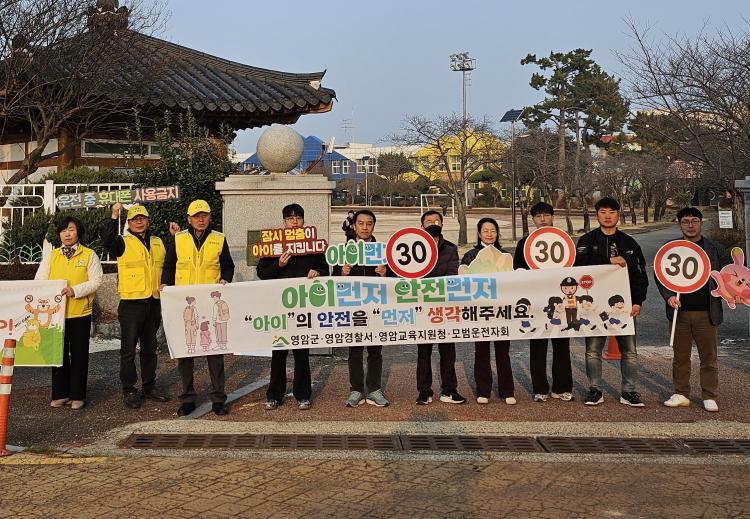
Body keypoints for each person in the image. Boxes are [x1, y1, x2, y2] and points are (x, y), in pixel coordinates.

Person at [160, 199, 235, 416]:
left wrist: (225, 279)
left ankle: (218, 399)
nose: (201, 219)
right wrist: (165, 284)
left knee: (215, 353)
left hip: (210, 303)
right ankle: (187, 398)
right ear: (189, 219)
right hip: (185, 303)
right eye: (196, 216)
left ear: (210, 217)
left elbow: (228, 266)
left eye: (204, 215)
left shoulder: (219, 239)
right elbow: (169, 266)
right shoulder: (179, 238)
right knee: (186, 352)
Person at [574, 197, 648, 407]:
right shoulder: (586, 241)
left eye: (612, 212)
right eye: (603, 212)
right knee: (593, 351)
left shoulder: (629, 243)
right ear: (597, 214)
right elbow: (578, 266)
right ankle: (595, 390)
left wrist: (638, 302)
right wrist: (608, 261)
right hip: (594, 306)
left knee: (629, 352)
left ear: (618, 214)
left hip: (624, 306)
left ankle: (629, 391)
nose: (607, 216)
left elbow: (640, 275)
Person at [655, 207, 730, 412]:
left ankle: (709, 395)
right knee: (680, 356)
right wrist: (668, 296)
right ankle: (681, 393)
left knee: (709, 357)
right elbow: (660, 275)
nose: (690, 225)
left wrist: (734, 292)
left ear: (701, 223)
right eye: (686, 221)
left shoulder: (714, 248)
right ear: (679, 224)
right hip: (679, 311)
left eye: (694, 221)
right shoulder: (671, 248)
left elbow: (728, 274)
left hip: (708, 311)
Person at [257, 203, 329, 411]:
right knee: (278, 352)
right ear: (284, 222)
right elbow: (262, 273)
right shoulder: (273, 245)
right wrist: (278, 264)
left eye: (298, 218)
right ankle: (274, 395)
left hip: (303, 307)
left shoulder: (313, 245)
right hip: (279, 307)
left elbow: (325, 269)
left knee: (302, 352)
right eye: (290, 219)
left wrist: (317, 272)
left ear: (304, 221)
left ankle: (303, 395)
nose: (295, 222)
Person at [103, 203, 171, 409]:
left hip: (153, 302)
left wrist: (175, 237)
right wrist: (114, 216)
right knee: (128, 351)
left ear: (148, 220)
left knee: (150, 349)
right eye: (135, 219)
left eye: (142, 218)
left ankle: (149, 387)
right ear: (129, 223)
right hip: (131, 304)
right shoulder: (122, 242)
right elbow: (106, 241)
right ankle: (129, 389)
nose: (139, 222)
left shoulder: (158, 241)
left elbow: (170, 264)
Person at [35, 216, 103, 410]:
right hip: (56, 315)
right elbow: (40, 279)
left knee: (79, 354)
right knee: (57, 354)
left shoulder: (89, 255)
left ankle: (78, 395)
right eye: (63, 230)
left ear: (78, 232)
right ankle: (60, 394)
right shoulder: (52, 255)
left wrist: (75, 290)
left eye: (71, 229)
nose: (67, 234)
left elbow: (96, 281)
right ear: (59, 234)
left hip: (79, 312)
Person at [513, 202, 574, 402]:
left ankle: (562, 387)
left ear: (552, 217)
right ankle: (540, 388)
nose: (542, 219)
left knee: (562, 345)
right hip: (536, 302)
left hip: (560, 302)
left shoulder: (564, 241)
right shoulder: (524, 244)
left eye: (546, 215)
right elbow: (517, 271)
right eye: (538, 216)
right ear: (532, 219)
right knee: (537, 346)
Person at [334, 209, 391, 407]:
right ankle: (356, 390)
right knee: (355, 351)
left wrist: (385, 274)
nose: (365, 227)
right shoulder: (343, 251)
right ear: (354, 226)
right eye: (361, 223)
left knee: (375, 351)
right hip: (353, 308)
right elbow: (331, 279)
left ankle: (374, 389)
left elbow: (396, 281)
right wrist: (342, 273)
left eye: (369, 224)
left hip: (376, 307)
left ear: (373, 226)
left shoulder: (384, 251)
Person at [461, 217, 516, 405]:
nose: (489, 234)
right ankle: (483, 391)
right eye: (485, 231)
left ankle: (507, 391)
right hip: (480, 312)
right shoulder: (470, 256)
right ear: (479, 233)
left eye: (493, 230)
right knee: (481, 352)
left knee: (503, 352)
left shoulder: (505, 255)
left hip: (501, 311)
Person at [415, 210, 464, 405]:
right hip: (422, 307)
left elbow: (452, 275)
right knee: (423, 352)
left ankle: (449, 390)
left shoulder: (450, 249)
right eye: (428, 221)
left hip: (444, 308)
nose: (433, 224)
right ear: (422, 226)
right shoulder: (412, 247)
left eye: (437, 221)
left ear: (442, 225)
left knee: (448, 351)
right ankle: (424, 391)